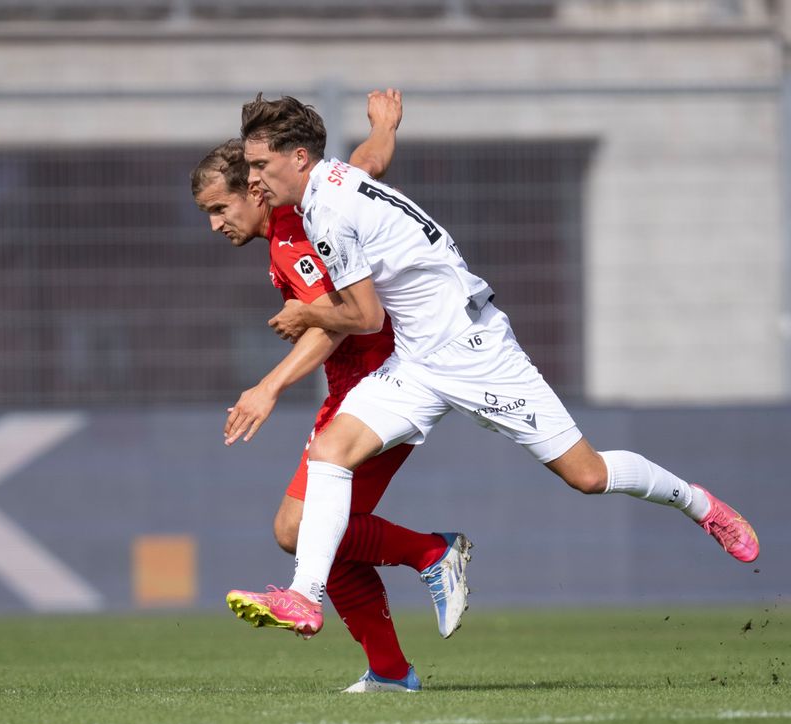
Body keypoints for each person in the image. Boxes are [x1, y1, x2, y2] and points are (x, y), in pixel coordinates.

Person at [228, 92, 760, 640]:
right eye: (249, 167)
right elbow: (372, 160)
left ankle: (701, 504)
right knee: (330, 451)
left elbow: (364, 318)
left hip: (475, 351)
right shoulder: (336, 177)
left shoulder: (327, 213)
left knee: (588, 474)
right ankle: (304, 597)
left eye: (260, 165)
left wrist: (304, 312)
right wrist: (385, 125)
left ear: (298, 158)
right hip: (416, 361)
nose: (254, 179)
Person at [192, 90, 471, 693]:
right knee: (319, 537)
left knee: (298, 532)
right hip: (359, 384)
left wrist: (267, 387)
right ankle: (390, 672)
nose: (216, 224)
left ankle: (431, 552)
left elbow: (335, 319)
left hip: (382, 385)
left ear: (255, 188)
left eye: (220, 207)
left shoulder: (293, 237)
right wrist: (384, 127)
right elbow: (367, 165)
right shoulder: (315, 198)